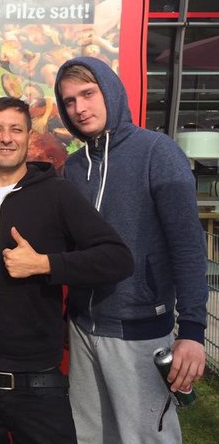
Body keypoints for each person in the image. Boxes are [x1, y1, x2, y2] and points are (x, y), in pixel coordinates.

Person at [0, 96, 134, 444]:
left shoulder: (58, 194)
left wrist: (45, 264)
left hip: (37, 383)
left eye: (15, 130)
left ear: (29, 137)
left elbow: (117, 258)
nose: (6, 138)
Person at [54, 56, 209, 444]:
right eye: (69, 101)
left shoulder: (158, 152)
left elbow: (188, 246)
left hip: (140, 330)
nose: (79, 108)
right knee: (90, 436)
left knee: (145, 437)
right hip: (83, 327)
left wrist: (192, 329)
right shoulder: (73, 168)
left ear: (110, 91)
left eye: (88, 94)